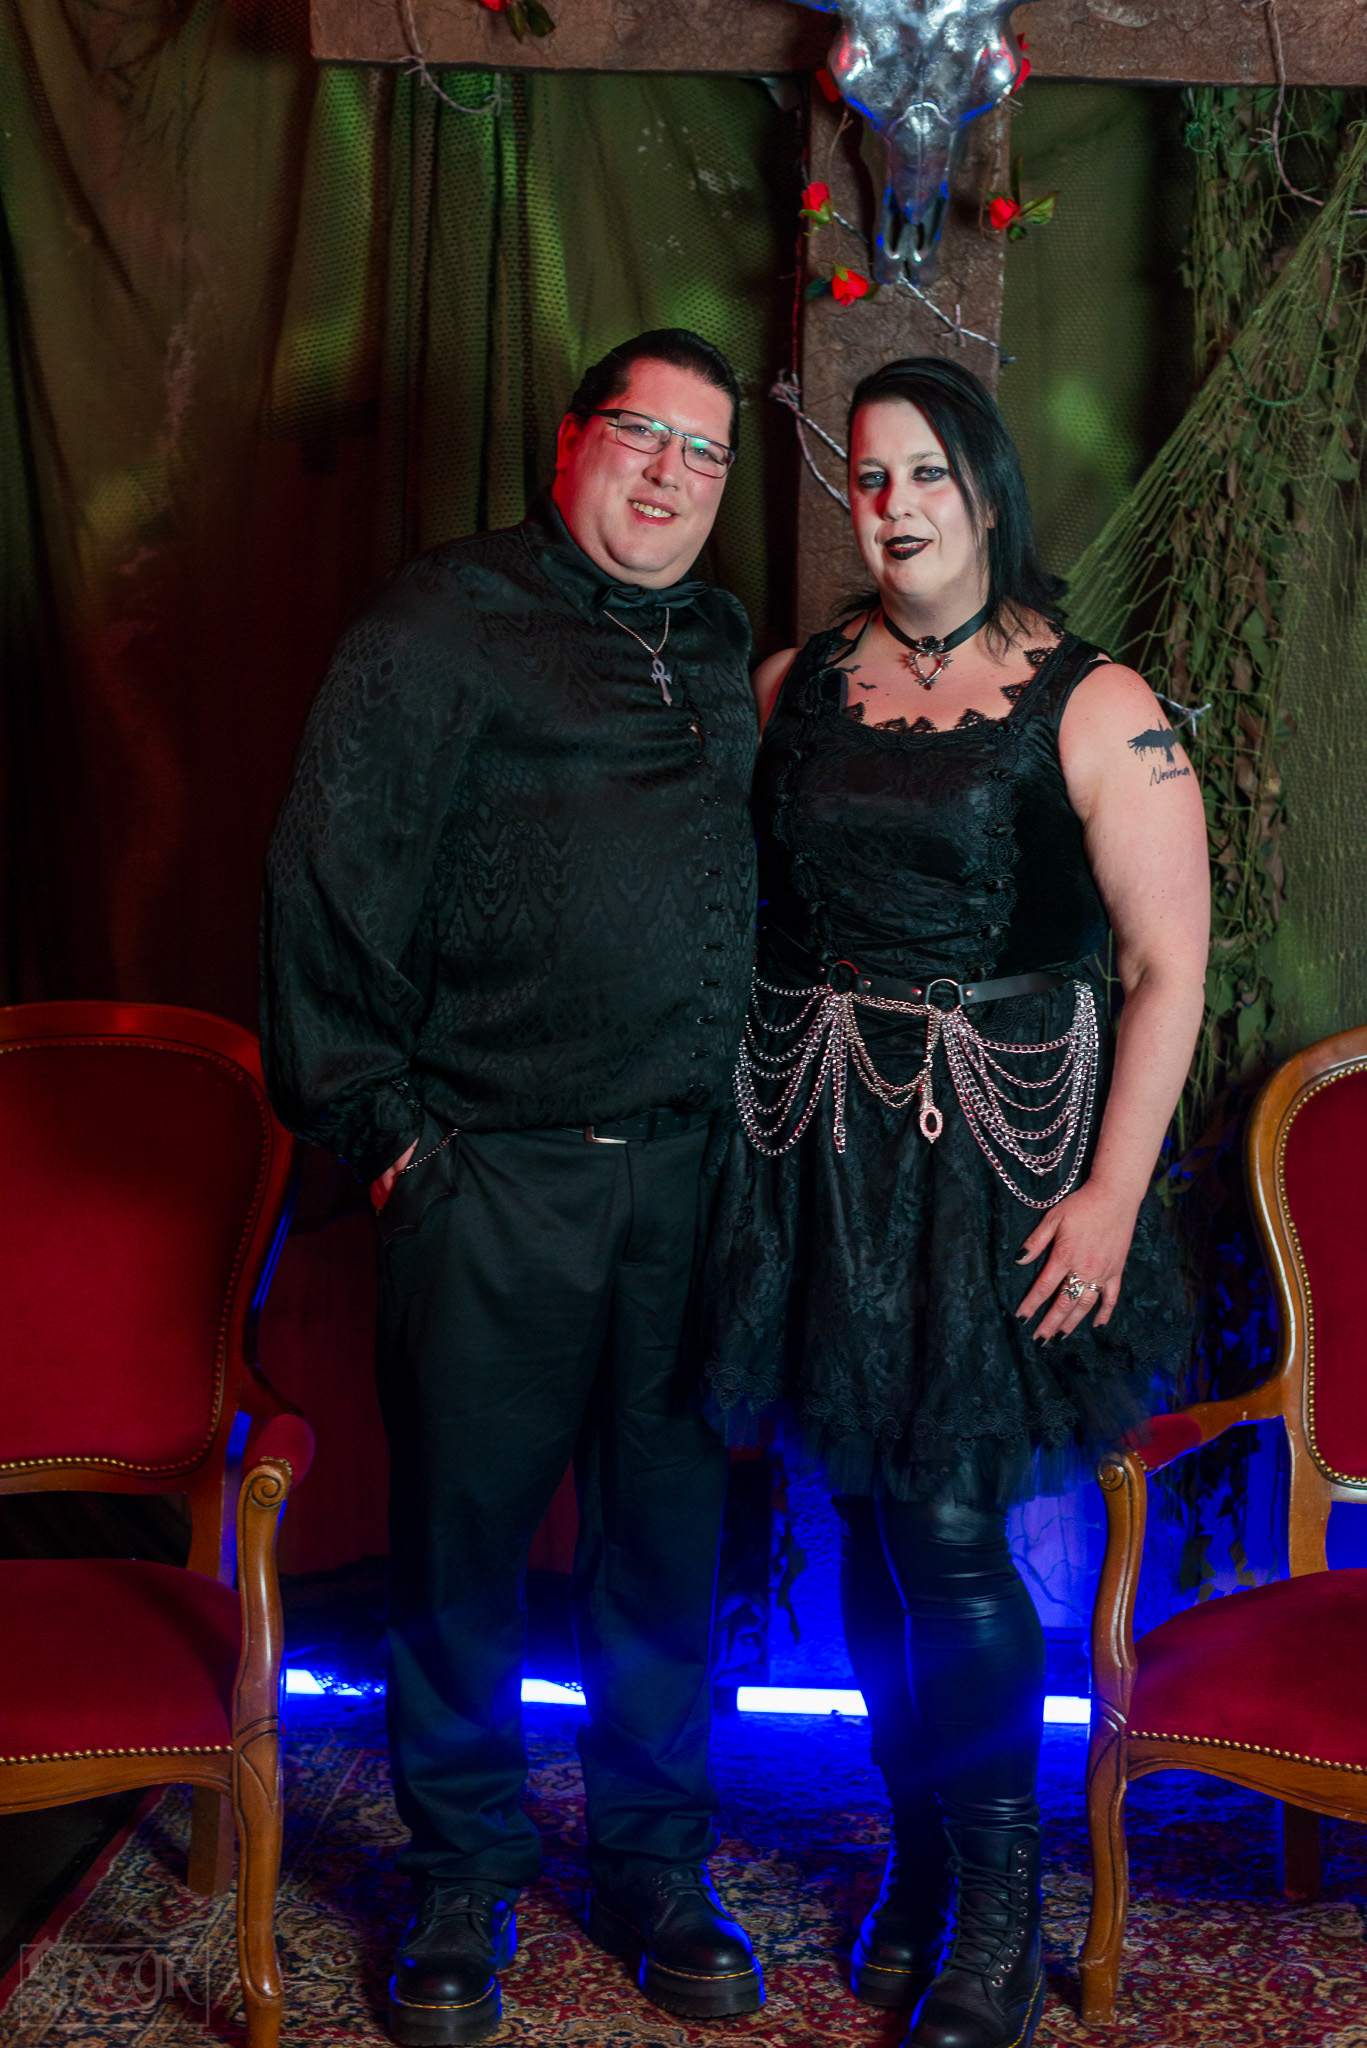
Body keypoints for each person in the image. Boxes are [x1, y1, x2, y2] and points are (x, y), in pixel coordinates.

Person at [694, 356, 1208, 2048]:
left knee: (951, 1530)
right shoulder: (795, 687)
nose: (895, 504)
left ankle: (1001, 1911)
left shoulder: (1097, 700)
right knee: (865, 1517)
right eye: (870, 476)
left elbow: (1167, 966)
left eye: (926, 472)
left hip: (1006, 1168)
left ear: (984, 486)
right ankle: (921, 1864)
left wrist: (1115, 1190)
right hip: (823, 1156)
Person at [261, 329, 767, 2046]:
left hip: (690, 1182)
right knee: (464, 1552)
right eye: (643, 434)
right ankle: (459, 1877)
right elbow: (325, 879)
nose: (672, 474)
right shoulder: (439, 620)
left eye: (705, 453)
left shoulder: (719, 643)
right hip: (492, 1176)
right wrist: (390, 1132)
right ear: (568, 443)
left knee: (665, 1546)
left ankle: (653, 1864)